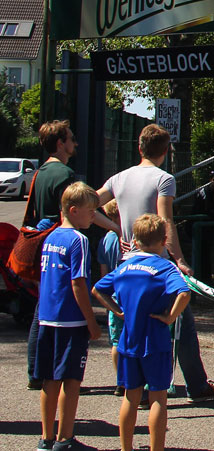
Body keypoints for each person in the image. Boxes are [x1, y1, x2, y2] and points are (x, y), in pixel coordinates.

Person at [97, 123, 214, 403]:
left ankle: (132, 386)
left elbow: (91, 202)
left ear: (139, 147)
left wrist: (113, 227)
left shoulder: (118, 178)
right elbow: (166, 220)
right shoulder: (164, 179)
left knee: (132, 325)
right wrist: (179, 259)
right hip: (157, 265)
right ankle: (192, 386)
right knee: (181, 324)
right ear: (166, 151)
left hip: (128, 263)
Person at [27, 120, 118, 390]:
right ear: (60, 143)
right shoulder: (64, 174)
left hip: (46, 242)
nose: (75, 143)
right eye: (71, 138)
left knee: (42, 310)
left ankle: (37, 371)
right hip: (63, 242)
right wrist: (114, 226)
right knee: (64, 312)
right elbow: (84, 207)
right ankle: (59, 373)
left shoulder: (40, 172)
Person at [92, 214, 191, 451]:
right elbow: (184, 293)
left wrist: (117, 311)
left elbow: (98, 289)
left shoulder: (124, 267)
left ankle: (126, 447)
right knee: (158, 398)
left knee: (130, 397)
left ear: (135, 241)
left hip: (128, 340)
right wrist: (170, 317)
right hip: (155, 340)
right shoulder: (165, 267)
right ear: (164, 240)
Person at [34, 182, 102, 451]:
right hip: (71, 320)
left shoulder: (50, 237)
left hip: (47, 317)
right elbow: (78, 283)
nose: (93, 216)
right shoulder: (79, 240)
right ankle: (65, 438)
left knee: (49, 379)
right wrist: (91, 320)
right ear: (73, 211)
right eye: (90, 211)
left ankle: (45, 437)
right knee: (71, 380)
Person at [96, 200, 124, 396]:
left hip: (111, 295)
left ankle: (119, 380)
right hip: (126, 293)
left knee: (115, 341)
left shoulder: (105, 240)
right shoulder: (127, 238)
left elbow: (103, 271)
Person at [191, 170, 214, 287]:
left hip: (209, 228)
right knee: (201, 252)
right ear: (210, 181)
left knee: (207, 252)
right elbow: (207, 208)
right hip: (199, 227)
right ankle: (201, 277)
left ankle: (206, 277)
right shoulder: (205, 191)